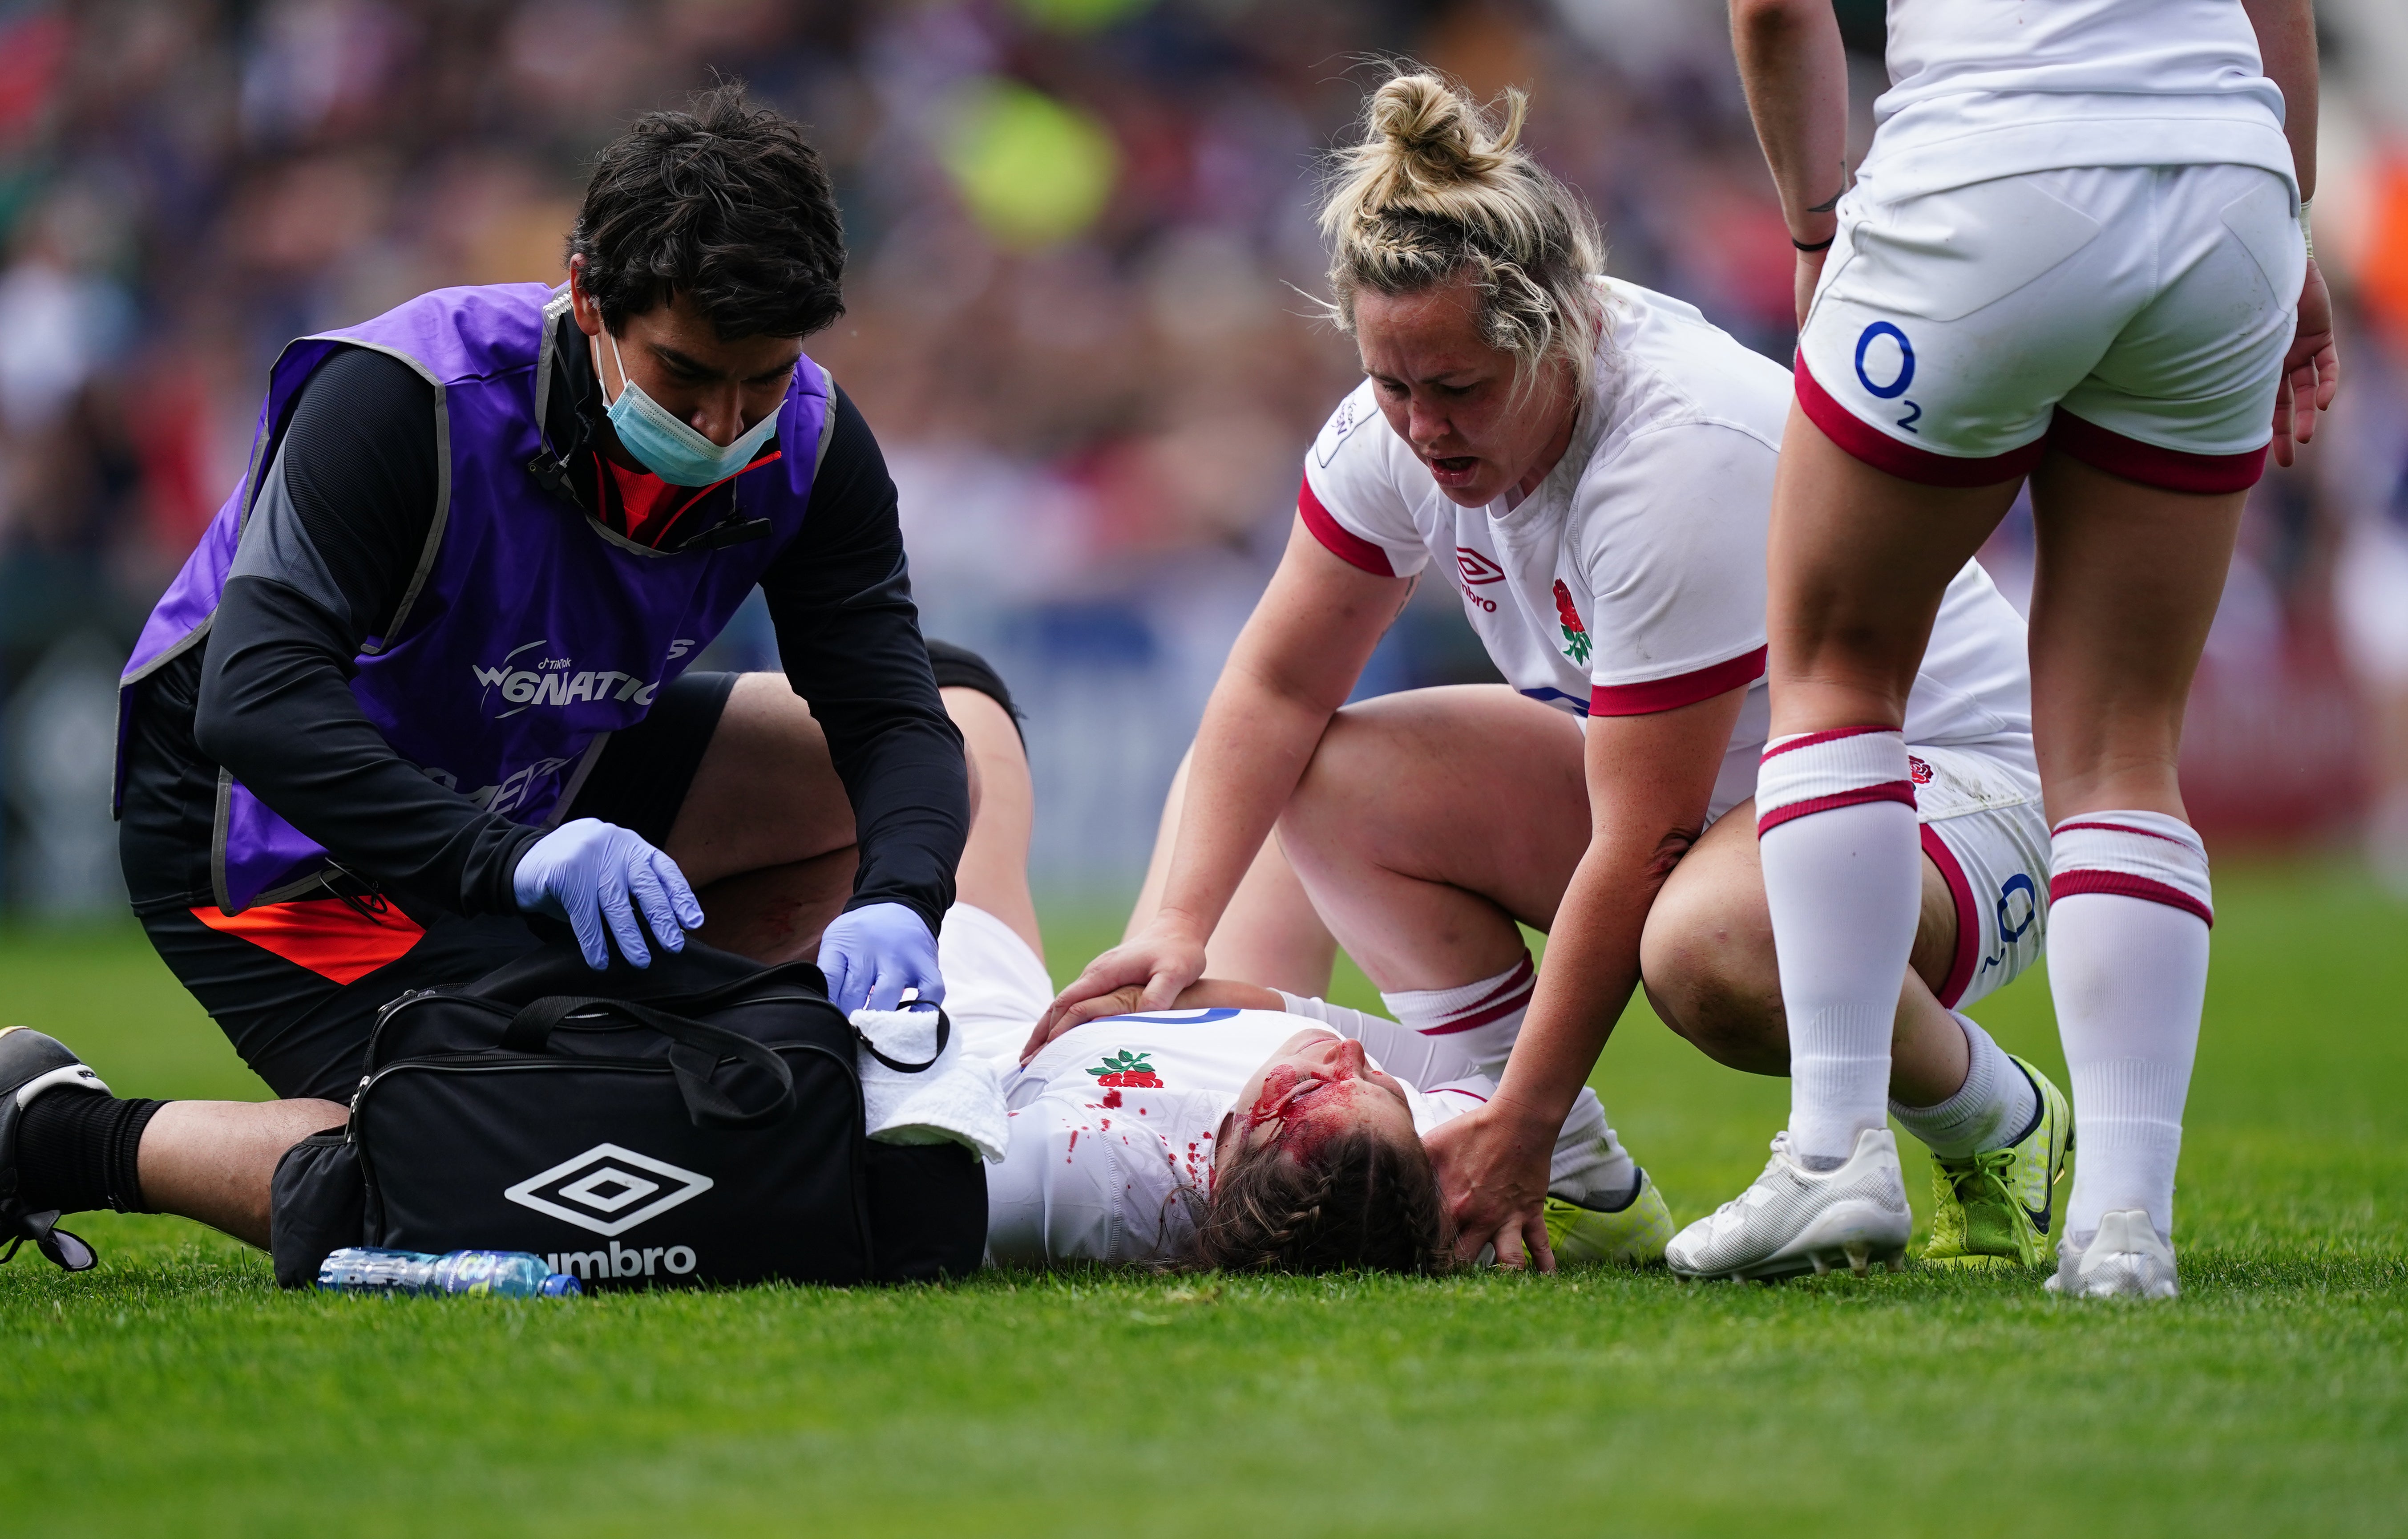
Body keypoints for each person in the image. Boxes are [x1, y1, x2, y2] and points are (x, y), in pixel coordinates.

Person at [1036, 70, 2065, 1274]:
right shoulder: (1400, 429)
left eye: (1459, 390)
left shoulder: (1673, 456)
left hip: (1949, 796)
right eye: (1391, 385)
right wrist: (1170, 923)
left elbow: (1638, 843)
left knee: (1710, 945)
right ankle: (1581, 1183)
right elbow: (1273, 687)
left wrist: (1510, 1119)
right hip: (1725, 805)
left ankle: (2001, 1122)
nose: (1422, 430)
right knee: (1334, 777)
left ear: (1564, 328)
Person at [0, 85, 971, 1271]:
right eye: (683, 377)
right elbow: (252, 699)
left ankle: (801, 1077)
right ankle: (50, 1128)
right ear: (585, 297)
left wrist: (903, 894)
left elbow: (886, 712)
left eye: (761, 382)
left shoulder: (812, 440)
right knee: (533, 1167)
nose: (723, 427)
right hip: (274, 844)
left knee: (949, 722)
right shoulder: (404, 399)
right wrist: (513, 865)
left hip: (536, 770)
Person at [0, 662, 1660, 1276]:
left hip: (841, 1112)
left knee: (426, 1167)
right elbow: (1477, 1125)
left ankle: (55, 1130)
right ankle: (87, 1120)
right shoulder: (1295, 1134)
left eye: (1353, 1073)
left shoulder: (1182, 1147)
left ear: (1275, 1109)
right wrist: (1532, 1156)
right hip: (931, 1028)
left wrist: (1531, 1146)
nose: (1379, 1069)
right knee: (954, 721)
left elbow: (1447, 1104)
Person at [1705, 0, 2333, 1296]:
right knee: (2121, 744)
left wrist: (1818, 228)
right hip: (2225, 179)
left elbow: (1774, 10)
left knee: (1835, 669)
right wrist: (2289, 227)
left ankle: (1834, 1150)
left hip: (1988, 161)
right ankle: (2123, 1227)